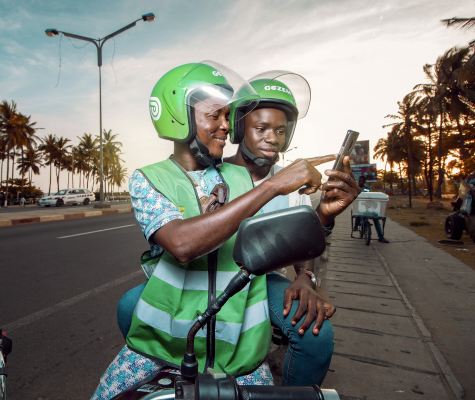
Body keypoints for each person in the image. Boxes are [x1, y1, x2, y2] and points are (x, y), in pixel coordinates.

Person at [92, 62, 329, 399]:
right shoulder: (148, 179)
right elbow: (182, 244)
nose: (226, 127)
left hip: (240, 356)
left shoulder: (241, 177)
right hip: (159, 346)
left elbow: (282, 238)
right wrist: (273, 184)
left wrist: (323, 216)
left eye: (228, 117)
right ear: (179, 116)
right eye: (215, 116)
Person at [223, 70, 361, 386]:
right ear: (239, 126)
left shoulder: (298, 181)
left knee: (315, 335)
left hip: (258, 280)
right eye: (261, 128)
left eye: (281, 130)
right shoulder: (208, 174)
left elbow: (302, 243)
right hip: (205, 276)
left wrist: (305, 276)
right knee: (130, 306)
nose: (273, 138)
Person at [356, 175, 389, 243]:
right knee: (356, 213)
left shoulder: (368, 188)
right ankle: (356, 226)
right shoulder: (355, 188)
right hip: (360, 207)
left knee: (376, 219)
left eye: (362, 181)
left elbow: (371, 197)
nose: (360, 182)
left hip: (369, 206)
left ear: (364, 182)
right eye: (359, 180)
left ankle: (381, 237)